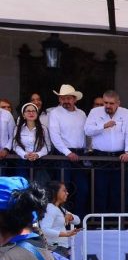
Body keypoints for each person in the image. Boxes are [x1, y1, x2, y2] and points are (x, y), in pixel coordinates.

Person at [83, 90, 128, 215]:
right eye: (105, 103)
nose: (108, 106)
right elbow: (87, 130)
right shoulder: (95, 112)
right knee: (99, 190)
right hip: (100, 156)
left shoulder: (125, 113)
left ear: (118, 103)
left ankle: (115, 222)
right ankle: (99, 222)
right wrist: (103, 126)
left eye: (111, 103)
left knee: (117, 190)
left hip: (119, 156)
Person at [46, 84, 89, 218]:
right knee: (62, 191)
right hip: (63, 155)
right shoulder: (55, 113)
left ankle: (79, 219)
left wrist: (87, 151)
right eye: (63, 98)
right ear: (59, 100)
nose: (66, 101)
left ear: (75, 99)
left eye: (68, 98)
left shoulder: (81, 113)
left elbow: (86, 134)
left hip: (79, 154)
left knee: (82, 189)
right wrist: (67, 152)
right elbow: (55, 136)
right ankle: (61, 220)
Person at [12, 102, 51, 183]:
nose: (31, 113)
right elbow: (15, 145)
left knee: (39, 188)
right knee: (22, 187)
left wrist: (37, 154)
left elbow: (47, 146)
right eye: (28, 111)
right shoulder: (18, 128)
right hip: (22, 162)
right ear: (23, 115)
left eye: (34, 111)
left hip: (39, 162)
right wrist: (25, 154)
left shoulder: (43, 129)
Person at [40, 181, 80, 259]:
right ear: (55, 192)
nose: (67, 193)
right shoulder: (50, 208)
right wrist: (66, 234)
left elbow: (77, 220)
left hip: (59, 248)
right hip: (55, 248)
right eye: (64, 190)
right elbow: (44, 230)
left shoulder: (60, 209)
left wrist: (70, 216)